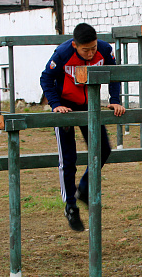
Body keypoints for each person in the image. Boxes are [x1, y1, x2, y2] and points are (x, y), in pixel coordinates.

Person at [40, 23, 125, 232]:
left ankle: (84, 189)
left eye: (93, 48)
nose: (90, 53)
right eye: (85, 50)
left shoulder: (105, 50)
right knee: (68, 159)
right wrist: (55, 104)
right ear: (75, 45)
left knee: (103, 149)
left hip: (90, 105)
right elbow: (46, 78)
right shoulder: (62, 54)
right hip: (64, 107)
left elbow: (114, 75)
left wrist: (115, 99)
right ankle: (70, 205)